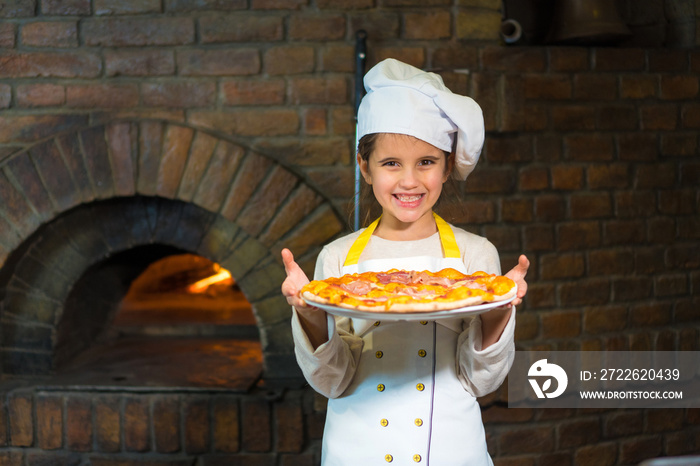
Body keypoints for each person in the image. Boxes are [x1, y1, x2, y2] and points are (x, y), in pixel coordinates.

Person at [281, 58, 529, 465]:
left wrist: (498, 309)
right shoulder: (338, 258)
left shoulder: (474, 255)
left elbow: (481, 380)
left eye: (426, 162)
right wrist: (309, 313)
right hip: (357, 449)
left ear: (448, 167)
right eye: (391, 163)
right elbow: (332, 380)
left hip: (450, 449)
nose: (409, 181)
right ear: (365, 167)